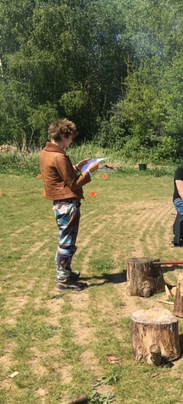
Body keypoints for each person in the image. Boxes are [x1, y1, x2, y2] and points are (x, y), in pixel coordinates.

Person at [40, 118, 100, 291]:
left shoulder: (47, 153)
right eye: (70, 137)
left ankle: (65, 271)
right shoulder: (59, 156)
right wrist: (89, 171)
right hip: (67, 204)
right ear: (63, 135)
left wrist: (76, 167)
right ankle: (63, 279)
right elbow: (72, 184)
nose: (72, 141)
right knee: (66, 242)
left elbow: (62, 175)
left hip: (60, 203)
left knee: (66, 240)